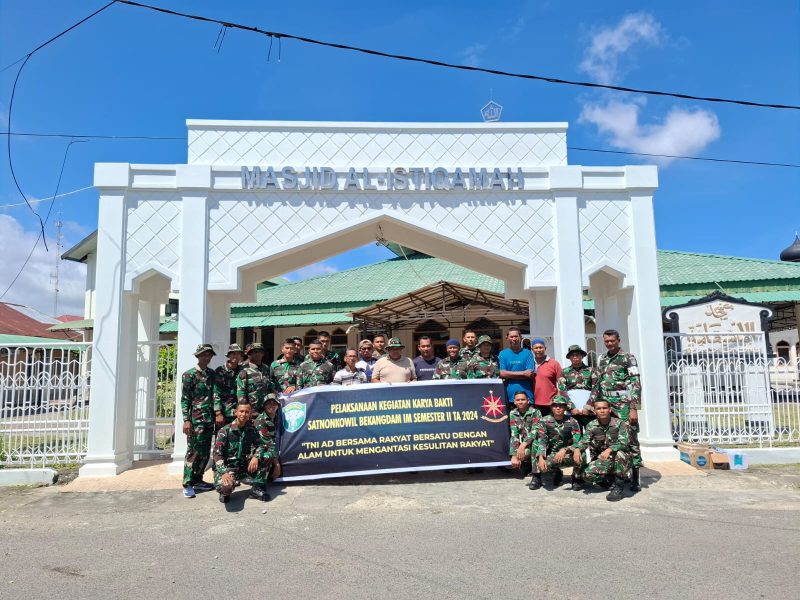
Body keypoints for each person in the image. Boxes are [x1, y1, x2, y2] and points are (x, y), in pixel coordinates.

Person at [588, 329, 643, 492]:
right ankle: (613, 474)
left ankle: (635, 477)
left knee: (631, 438)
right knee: (608, 437)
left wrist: (634, 408)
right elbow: (597, 383)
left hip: (623, 403)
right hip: (606, 402)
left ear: (619, 340)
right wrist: (592, 404)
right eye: (606, 341)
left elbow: (635, 383)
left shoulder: (628, 358)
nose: (609, 343)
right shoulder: (603, 359)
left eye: (612, 340)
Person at [212, 400, 272, 503]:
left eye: (246, 412)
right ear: (236, 412)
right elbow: (216, 454)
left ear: (250, 414)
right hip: (228, 468)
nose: (243, 414)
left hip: (243, 467)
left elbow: (262, 445)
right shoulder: (224, 431)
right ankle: (225, 492)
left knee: (267, 455)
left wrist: (256, 457)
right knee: (227, 488)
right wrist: (223, 472)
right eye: (241, 411)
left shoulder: (251, 429)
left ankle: (256, 488)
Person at [181, 343, 217, 498]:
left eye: (209, 355)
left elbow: (216, 396)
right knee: (193, 452)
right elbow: (185, 400)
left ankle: (198, 480)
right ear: (198, 356)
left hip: (209, 420)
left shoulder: (212, 374)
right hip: (196, 420)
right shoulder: (189, 375)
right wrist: (186, 420)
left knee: (204, 453)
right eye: (203, 355)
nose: (206, 357)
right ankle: (187, 483)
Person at [580, 399, 633, 502]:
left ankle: (618, 487)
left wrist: (609, 449)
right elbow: (584, 442)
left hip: (623, 458)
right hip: (604, 459)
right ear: (595, 411)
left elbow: (624, 442)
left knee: (618, 453)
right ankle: (609, 480)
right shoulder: (591, 425)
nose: (602, 410)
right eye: (599, 408)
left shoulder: (620, 423)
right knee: (587, 475)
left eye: (604, 408)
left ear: (609, 410)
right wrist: (576, 449)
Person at [532, 396, 584, 490]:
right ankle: (537, 477)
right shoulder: (544, 421)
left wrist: (566, 449)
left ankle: (576, 477)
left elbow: (578, 441)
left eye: (561, 406)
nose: (558, 408)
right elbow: (542, 440)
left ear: (565, 408)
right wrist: (540, 457)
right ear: (551, 407)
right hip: (551, 454)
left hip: (567, 453)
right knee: (535, 443)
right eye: (555, 406)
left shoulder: (573, 421)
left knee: (581, 452)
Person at [508, 390, 542, 485]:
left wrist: (522, 446)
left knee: (535, 444)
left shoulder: (536, 412)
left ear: (528, 400)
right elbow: (514, 434)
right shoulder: (513, 413)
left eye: (523, 399)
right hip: (526, 445)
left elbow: (535, 431)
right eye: (518, 400)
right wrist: (514, 455)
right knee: (514, 461)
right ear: (514, 402)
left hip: (539, 443)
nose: (520, 402)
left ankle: (536, 476)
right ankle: (528, 465)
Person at [557, 344, 596, 427]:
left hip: (588, 410)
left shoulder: (591, 370)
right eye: (572, 355)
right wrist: (571, 407)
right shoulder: (564, 372)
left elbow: (595, 389)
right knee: (574, 433)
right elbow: (562, 391)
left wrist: (588, 406)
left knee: (590, 432)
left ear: (582, 356)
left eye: (577, 355)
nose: (575, 357)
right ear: (569, 357)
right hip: (571, 410)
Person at [498, 327, 535, 406]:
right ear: (507, 338)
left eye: (516, 336)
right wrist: (523, 373)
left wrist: (509, 375)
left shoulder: (528, 353)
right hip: (509, 396)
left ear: (520, 337)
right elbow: (502, 373)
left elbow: (529, 374)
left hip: (526, 396)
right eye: (511, 337)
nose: (514, 339)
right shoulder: (503, 354)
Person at [214, 343, 244, 429]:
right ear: (229, 355)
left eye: (238, 354)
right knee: (222, 439)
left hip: (239, 413)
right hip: (224, 413)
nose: (235, 356)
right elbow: (216, 392)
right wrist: (218, 413)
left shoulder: (242, 370)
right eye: (233, 353)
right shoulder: (220, 371)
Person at [236, 342, 272, 416]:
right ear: (250, 354)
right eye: (255, 352)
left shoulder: (266, 369)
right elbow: (241, 392)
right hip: (251, 413)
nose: (258, 354)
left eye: (260, 352)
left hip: (265, 412)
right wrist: (245, 411)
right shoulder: (244, 369)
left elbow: (270, 387)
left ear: (263, 354)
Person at [530, 338, 562, 416]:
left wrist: (557, 399)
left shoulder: (554, 364)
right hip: (532, 402)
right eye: (536, 348)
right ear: (532, 349)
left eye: (541, 347)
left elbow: (561, 383)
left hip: (550, 403)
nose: (538, 350)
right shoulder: (529, 363)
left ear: (545, 348)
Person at [253, 395, 282, 481]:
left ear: (278, 406)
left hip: (272, 448)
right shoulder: (260, 420)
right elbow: (268, 443)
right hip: (259, 450)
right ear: (264, 406)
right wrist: (277, 464)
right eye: (268, 403)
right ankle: (259, 484)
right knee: (267, 456)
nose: (271, 406)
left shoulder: (278, 418)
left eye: (274, 403)